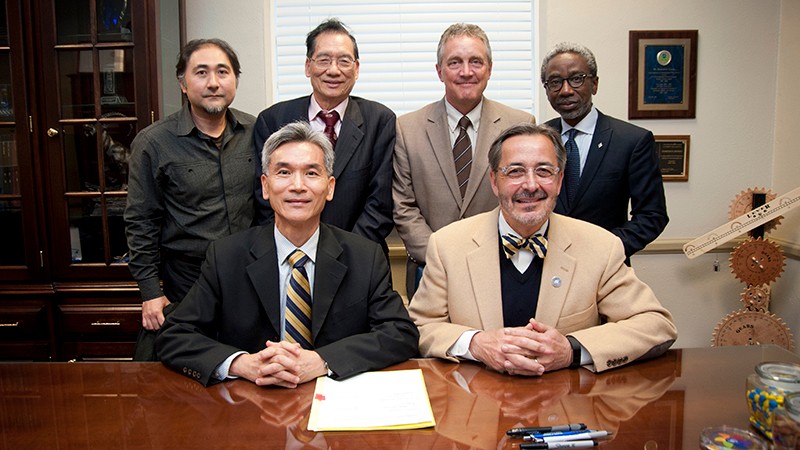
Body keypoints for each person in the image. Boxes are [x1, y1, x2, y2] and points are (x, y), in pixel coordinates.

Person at [156, 121, 419, 387]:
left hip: (334, 403)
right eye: (284, 172)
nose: (297, 186)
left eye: (311, 174)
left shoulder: (364, 257)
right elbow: (174, 335)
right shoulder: (227, 257)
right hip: (251, 402)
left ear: (329, 188)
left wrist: (322, 361)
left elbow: (400, 333)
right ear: (265, 186)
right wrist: (243, 364)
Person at [407, 123, 676, 376]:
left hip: (567, 409)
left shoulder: (600, 246)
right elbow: (419, 327)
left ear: (559, 181)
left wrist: (571, 349)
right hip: (476, 407)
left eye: (544, 171)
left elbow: (656, 325)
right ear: (494, 181)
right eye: (515, 171)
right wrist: (475, 343)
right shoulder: (447, 245)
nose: (531, 185)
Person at [125, 38, 256, 360]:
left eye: (222, 72)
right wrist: (150, 292)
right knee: (183, 378)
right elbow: (140, 221)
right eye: (201, 72)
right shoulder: (154, 142)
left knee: (247, 374)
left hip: (248, 278)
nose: (213, 83)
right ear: (183, 83)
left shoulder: (256, 131)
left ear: (235, 79)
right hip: (186, 281)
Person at [393, 23, 536, 299]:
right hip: (431, 270)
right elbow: (404, 207)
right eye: (455, 62)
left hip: (504, 265)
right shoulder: (407, 128)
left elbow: (525, 198)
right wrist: (442, 257)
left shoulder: (519, 124)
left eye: (476, 62)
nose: (466, 72)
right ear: (439, 71)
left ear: (490, 69)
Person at [253, 19, 395, 254]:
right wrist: (297, 251)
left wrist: (342, 255)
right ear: (308, 66)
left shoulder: (380, 120)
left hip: (360, 257)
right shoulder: (273, 120)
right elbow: (264, 199)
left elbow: (380, 204)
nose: (333, 70)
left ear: (356, 68)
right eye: (324, 60)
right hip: (289, 256)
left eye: (344, 61)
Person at [541, 42, 668, 261]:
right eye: (555, 82)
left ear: (595, 84)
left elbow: (651, 215)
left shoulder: (632, 141)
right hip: (544, 265)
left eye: (576, 78)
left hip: (605, 268)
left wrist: (604, 248)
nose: (566, 90)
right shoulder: (539, 138)